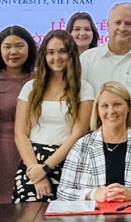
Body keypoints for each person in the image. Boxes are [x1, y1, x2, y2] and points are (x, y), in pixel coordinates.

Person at [14, 30, 94, 203]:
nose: (56, 57)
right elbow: (20, 134)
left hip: (69, 161)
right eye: (50, 52)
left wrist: (47, 167)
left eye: (62, 51)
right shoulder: (30, 87)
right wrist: (37, 170)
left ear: (71, 54)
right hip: (32, 162)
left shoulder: (84, 89)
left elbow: (78, 134)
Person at [56, 81, 131, 202]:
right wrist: (94, 194)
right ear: (97, 111)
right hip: (92, 220)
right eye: (105, 106)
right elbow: (62, 193)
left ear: (128, 107)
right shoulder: (82, 146)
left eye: (117, 104)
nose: (111, 111)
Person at [80, 2, 131, 139]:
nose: (122, 28)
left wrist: (117, 132)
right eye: (117, 22)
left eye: (128, 24)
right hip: (94, 139)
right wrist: (104, 134)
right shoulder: (87, 59)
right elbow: (80, 102)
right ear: (107, 25)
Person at [0, 26, 37, 205]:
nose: (13, 52)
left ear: (29, 49)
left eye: (19, 46)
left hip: (34, 149)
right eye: (7, 47)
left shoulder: (39, 78)